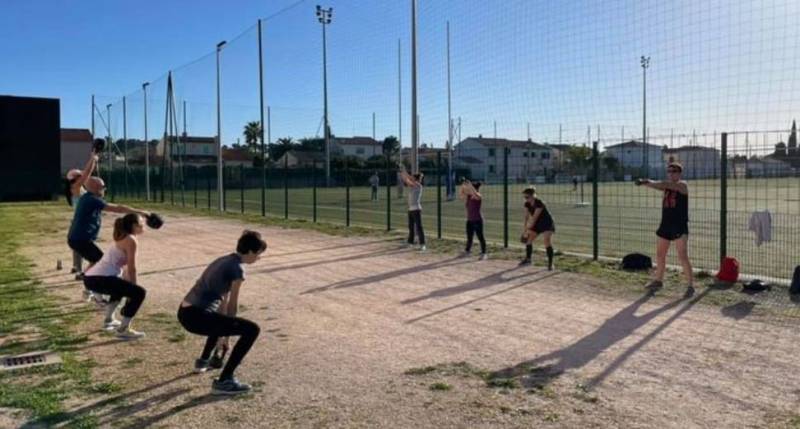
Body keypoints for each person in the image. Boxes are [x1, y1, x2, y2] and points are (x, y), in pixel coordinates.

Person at [178, 230, 267, 395]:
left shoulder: (224, 260)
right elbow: (232, 305)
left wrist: (224, 334)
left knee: (219, 319)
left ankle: (203, 360)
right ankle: (225, 379)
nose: (259, 258)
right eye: (259, 254)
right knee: (252, 329)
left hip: (185, 312)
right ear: (250, 252)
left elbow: (222, 304)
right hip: (197, 316)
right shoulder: (237, 269)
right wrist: (227, 337)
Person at [67, 176, 151, 301]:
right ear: (95, 189)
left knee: (96, 262)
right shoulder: (92, 199)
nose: (105, 189)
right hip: (80, 239)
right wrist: (140, 212)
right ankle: (92, 289)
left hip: (79, 239)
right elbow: (118, 208)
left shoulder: (88, 197)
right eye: (102, 187)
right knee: (101, 263)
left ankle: (89, 288)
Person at [83, 213, 148, 339]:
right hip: (98, 279)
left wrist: (128, 287)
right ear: (134, 226)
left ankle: (109, 320)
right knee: (139, 293)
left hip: (91, 279)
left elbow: (124, 270)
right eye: (141, 223)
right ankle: (123, 329)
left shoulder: (124, 237)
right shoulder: (130, 240)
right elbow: (131, 268)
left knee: (119, 288)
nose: (144, 225)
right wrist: (133, 289)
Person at [636, 162, 694, 297]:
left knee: (682, 256)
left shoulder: (682, 185)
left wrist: (648, 181)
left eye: (674, 171)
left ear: (679, 173)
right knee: (660, 255)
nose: (671, 173)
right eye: (669, 171)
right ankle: (658, 281)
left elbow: (665, 184)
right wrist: (646, 183)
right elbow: (661, 186)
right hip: (665, 225)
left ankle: (690, 285)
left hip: (679, 226)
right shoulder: (666, 187)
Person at [64, 151, 99, 281]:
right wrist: (93, 159)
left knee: (78, 246)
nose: (82, 176)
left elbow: (88, 177)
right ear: (74, 179)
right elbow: (87, 173)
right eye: (79, 175)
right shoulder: (76, 187)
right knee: (84, 247)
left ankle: (77, 267)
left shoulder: (77, 188)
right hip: (82, 222)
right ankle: (81, 272)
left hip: (79, 221)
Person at [520, 186, 555, 269]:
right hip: (537, 224)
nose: (526, 199)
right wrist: (525, 229)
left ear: (533, 196)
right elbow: (526, 217)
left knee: (546, 241)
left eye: (527, 197)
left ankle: (550, 264)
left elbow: (535, 217)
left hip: (547, 223)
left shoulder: (539, 203)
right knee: (529, 240)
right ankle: (528, 259)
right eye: (524, 197)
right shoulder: (527, 204)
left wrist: (528, 229)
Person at [459, 179, 487, 260]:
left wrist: (470, 185)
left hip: (477, 220)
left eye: (470, 189)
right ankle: (467, 251)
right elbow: (461, 195)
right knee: (469, 237)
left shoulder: (478, 196)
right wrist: (462, 185)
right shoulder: (468, 196)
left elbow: (475, 194)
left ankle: (484, 253)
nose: (468, 190)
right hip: (470, 220)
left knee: (480, 237)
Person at [399, 169, 426, 251]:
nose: (412, 178)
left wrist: (404, 172)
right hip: (410, 209)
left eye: (413, 178)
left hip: (416, 209)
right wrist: (402, 172)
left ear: (416, 179)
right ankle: (410, 242)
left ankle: (422, 244)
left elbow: (408, 179)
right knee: (411, 227)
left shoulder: (418, 185)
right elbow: (406, 179)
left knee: (419, 227)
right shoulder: (412, 185)